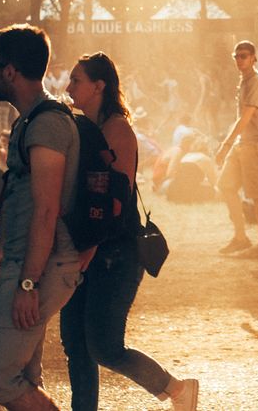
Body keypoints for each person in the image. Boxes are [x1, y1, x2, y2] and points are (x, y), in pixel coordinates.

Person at [58, 52, 198, 411]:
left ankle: (176, 389)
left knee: (104, 346)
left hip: (114, 253)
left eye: (76, 80)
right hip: (86, 247)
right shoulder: (82, 127)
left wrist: (87, 251)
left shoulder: (116, 129)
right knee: (76, 344)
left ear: (98, 85)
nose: (69, 86)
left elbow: (113, 201)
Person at [0, 24, 84, 410]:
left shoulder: (48, 124)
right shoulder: (28, 121)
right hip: (25, 263)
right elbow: (16, 199)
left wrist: (27, 285)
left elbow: (46, 210)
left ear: (10, 70)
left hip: (41, 265)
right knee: (25, 377)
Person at [214, 41, 258, 256]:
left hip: (255, 144)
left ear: (254, 57)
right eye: (236, 56)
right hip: (243, 144)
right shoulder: (245, 81)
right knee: (226, 186)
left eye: (244, 56)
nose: (239, 59)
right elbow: (242, 119)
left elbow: (246, 118)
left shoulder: (256, 81)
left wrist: (225, 144)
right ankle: (241, 237)